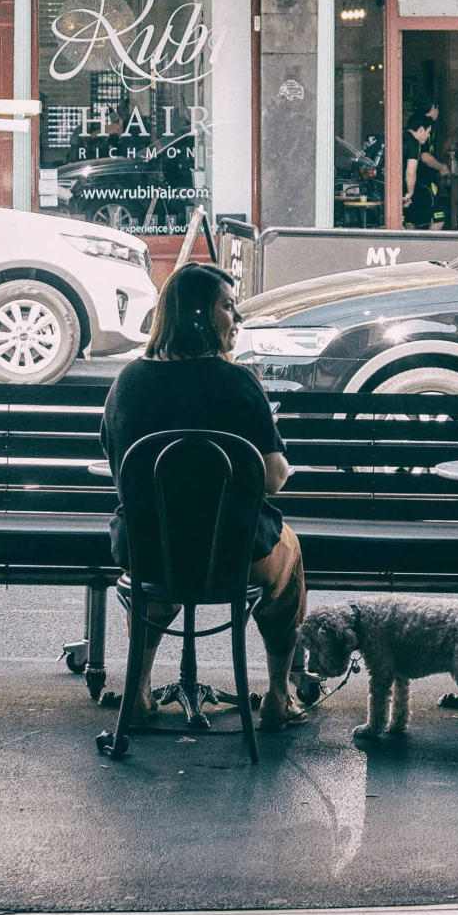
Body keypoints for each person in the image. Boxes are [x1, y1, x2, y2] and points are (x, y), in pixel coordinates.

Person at [102, 264, 309, 730]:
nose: (236, 318)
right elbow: (275, 479)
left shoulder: (127, 383)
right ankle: (279, 695)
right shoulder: (236, 383)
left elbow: (119, 467)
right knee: (290, 549)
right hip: (232, 558)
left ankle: (137, 694)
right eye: (228, 306)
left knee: (160, 577)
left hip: (150, 554)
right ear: (199, 315)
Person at [401, 103, 449, 229]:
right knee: (438, 218)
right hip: (423, 183)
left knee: (410, 221)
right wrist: (442, 167)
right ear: (433, 107)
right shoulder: (415, 141)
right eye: (428, 132)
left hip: (407, 186)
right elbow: (418, 163)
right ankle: (427, 247)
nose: (428, 136)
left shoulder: (402, 137)